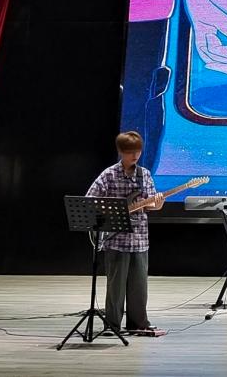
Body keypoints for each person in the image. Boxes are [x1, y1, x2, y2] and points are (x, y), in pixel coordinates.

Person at [85, 131, 165, 335]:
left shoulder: (144, 174)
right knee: (116, 286)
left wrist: (157, 204)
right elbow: (90, 200)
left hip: (139, 238)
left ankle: (138, 323)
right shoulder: (109, 174)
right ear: (121, 152)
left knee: (139, 286)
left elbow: (151, 204)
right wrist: (111, 211)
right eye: (130, 152)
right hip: (116, 239)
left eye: (138, 151)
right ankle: (112, 325)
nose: (135, 156)